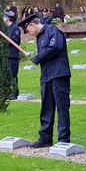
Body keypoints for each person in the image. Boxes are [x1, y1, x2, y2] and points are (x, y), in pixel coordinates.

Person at [17, 13, 71, 148]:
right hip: (46, 76)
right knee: (46, 108)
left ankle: (64, 139)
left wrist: (38, 57)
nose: (29, 34)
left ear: (32, 24)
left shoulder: (52, 30)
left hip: (58, 74)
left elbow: (55, 47)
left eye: (28, 31)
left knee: (62, 107)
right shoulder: (40, 37)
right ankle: (45, 138)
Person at [3, 9, 21, 99]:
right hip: (6, 55)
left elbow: (15, 40)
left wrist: (5, 41)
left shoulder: (15, 28)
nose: (3, 18)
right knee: (6, 75)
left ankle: (14, 93)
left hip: (12, 55)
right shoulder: (6, 28)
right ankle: (7, 92)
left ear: (8, 18)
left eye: (4, 17)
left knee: (13, 74)